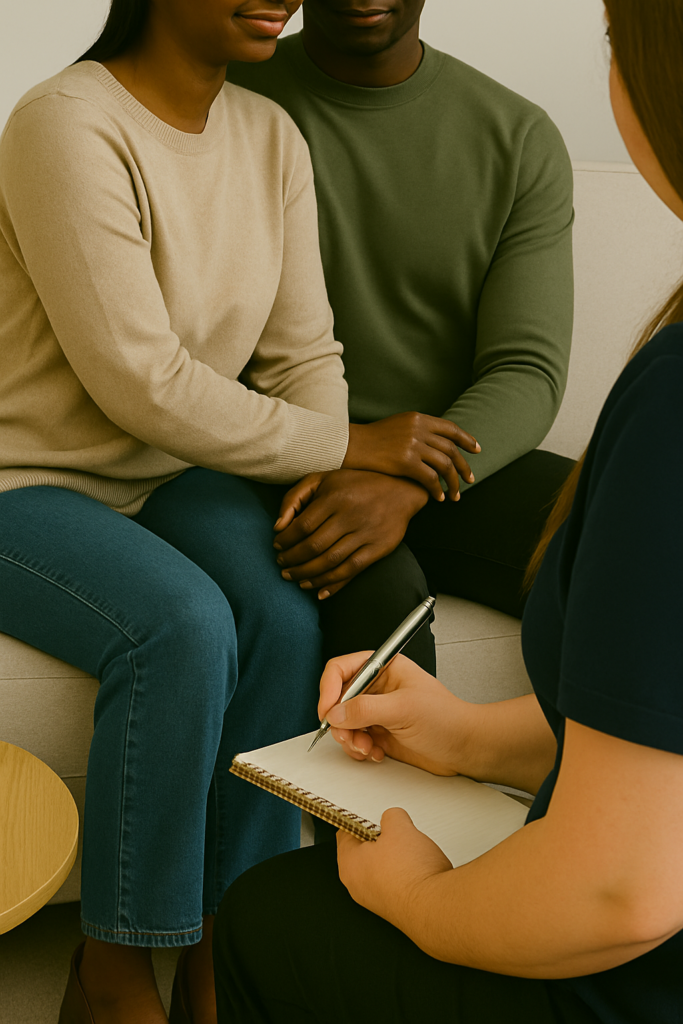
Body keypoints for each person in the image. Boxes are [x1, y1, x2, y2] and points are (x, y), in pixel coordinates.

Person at [0, 1, 476, 1022]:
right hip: (21, 477)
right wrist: (352, 445)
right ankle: (116, 974)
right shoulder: (64, 122)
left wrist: (322, 473)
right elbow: (143, 379)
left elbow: (304, 351)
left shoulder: (267, 135)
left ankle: (227, 957)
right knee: (180, 624)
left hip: (168, 474)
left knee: (279, 609)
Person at [213, 2, 683, 1021]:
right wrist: (470, 736)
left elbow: (625, 889)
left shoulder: (665, 406)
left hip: (438, 459)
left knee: (269, 916)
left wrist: (424, 900)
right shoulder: (228, 109)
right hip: (289, 456)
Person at [226, 0, 576, 673]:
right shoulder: (227, 100)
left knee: (631, 540)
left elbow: (525, 367)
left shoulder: (515, 135)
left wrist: (407, 485)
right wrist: (334, 453)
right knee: (376, 604)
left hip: (441, 455)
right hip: (273, 462)